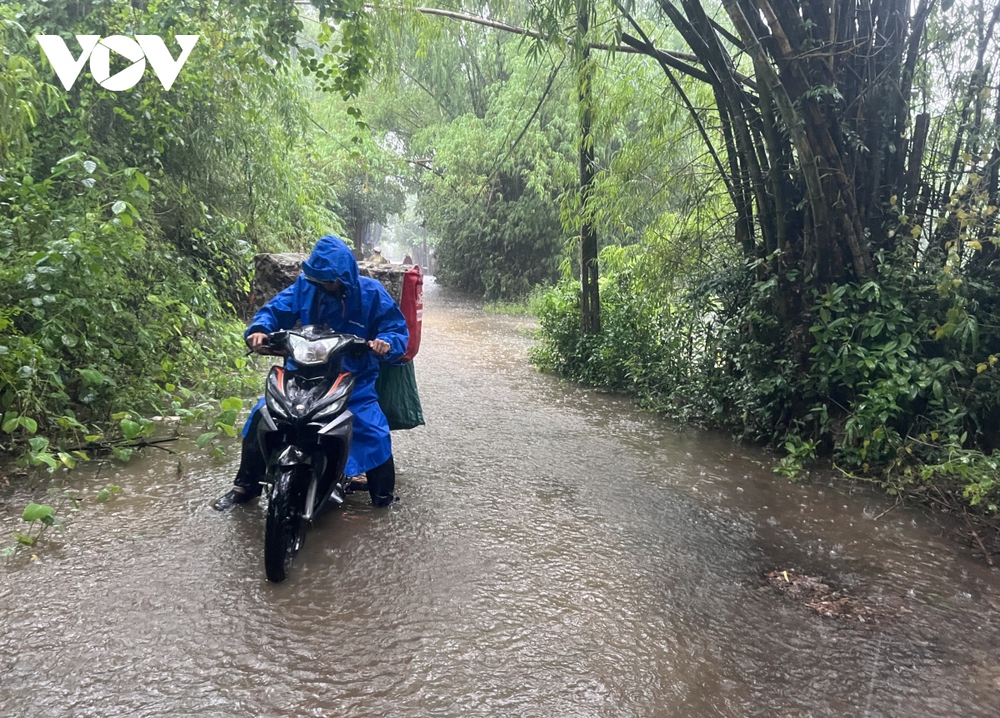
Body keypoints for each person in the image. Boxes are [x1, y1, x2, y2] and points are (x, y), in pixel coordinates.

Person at [213, 235, 409, 511]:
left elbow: (396, 330)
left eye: (329, 280)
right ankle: (245, 487)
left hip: (352, 380)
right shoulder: (304, 287)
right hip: (300, 375)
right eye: (318, 280)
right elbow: (274, 310)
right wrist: (259, 329)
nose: (324, 286)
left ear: (345, 276)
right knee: (262, 416)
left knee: (373, 430)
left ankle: (384, 498)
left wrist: (384, 342)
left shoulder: (371, 293)